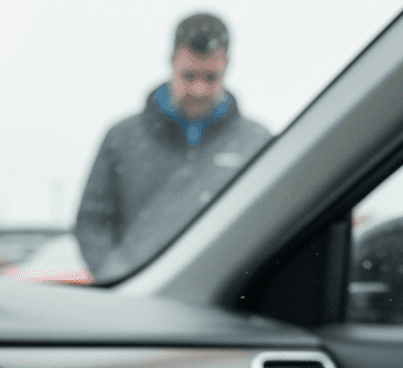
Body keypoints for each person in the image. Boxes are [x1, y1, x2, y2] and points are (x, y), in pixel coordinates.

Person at [76, 12, 270, 278]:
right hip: (139, 293)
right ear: (171, 62)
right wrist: (118, 275)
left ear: (226, 65)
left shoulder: (256, 142)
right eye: (189, 76)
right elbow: (93, 221)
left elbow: (268, 223)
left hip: (224, 291)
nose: (199, 89)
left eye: (210, 77)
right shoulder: (121, 138)